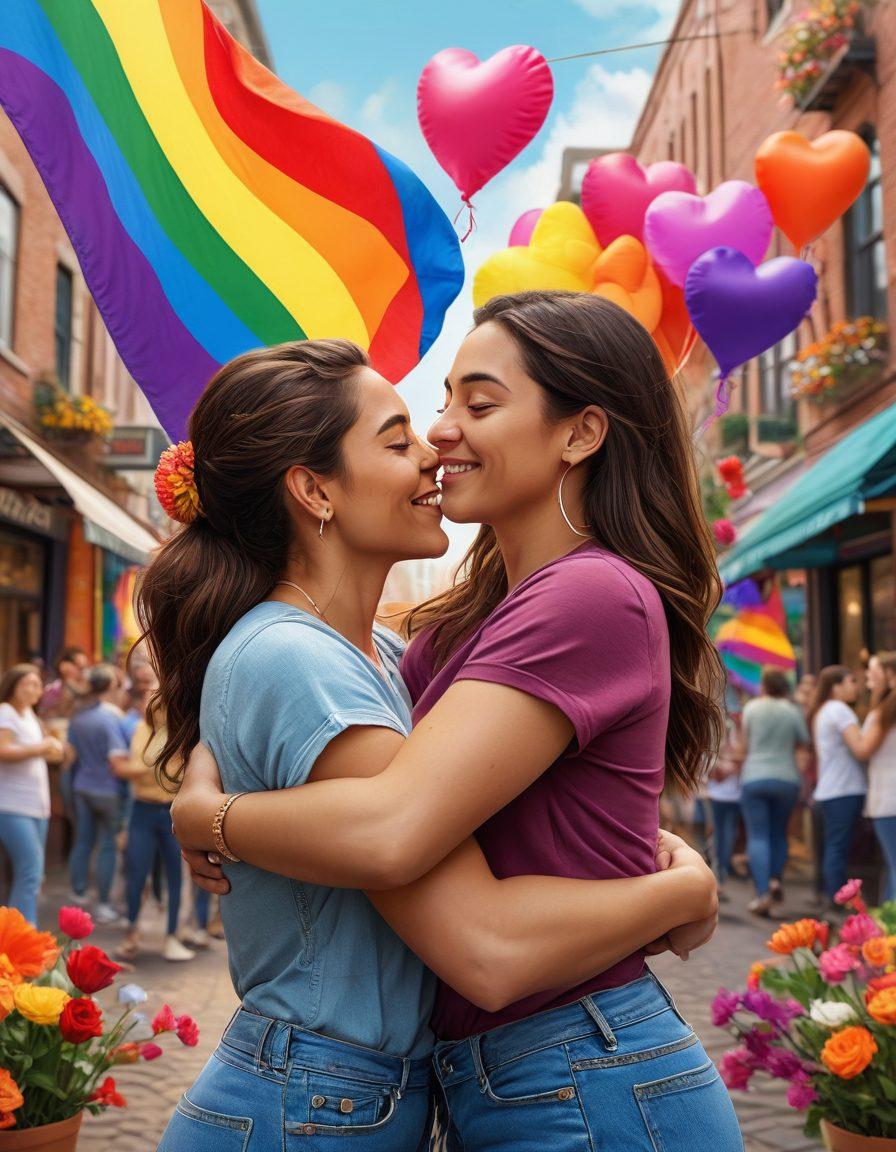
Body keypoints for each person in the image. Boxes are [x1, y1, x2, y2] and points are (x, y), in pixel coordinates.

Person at [168, 296, 740, 1150]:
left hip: (578, 1064)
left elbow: (412, 846)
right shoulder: (452, 629)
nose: (440, 433)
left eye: (479, 404)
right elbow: (314, 694)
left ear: (581, 434)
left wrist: (210, 816)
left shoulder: (587, 592)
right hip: (514, 1075)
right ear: (314, 490)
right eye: (431, 412)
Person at [113, 715, 195, 962]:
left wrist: (144, 768)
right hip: (142, 809)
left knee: (175, 877)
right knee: (136, 874)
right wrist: (153, 767)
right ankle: (131, 933)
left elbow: (179, 771)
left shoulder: (183, 728)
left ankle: (172, 936)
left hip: (172, 810)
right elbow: (130, 769)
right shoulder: (141, 728)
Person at [737, 669, 810, 917]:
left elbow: (745, 744)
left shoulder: (751, 709)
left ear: (764, 686)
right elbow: (803, 741)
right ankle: (776, 880)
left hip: (754, 776)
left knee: (758, 836)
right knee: (779, 833)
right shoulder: (792, 710)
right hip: (786, 778)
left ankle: (762, 892)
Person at [0, 665, 64, 924]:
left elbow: (50, 750)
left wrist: (54, 748)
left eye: (37, 684)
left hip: (37, 806)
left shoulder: (31, 716)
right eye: (27, 683)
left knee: (34, 875)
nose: (33, 689)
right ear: (12, 685)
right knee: (29, 872)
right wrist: (42, 747)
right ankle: (22, 937)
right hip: (12, 805)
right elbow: (3, 751)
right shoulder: (6, 712)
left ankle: (22, 935)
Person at [67, 665, 130, 923]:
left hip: (82, 786)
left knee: (82, 841)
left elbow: (70, 754)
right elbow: (118, 755)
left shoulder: (77, 716)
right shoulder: (112, 716)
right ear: (110, 687)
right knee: (107, 846)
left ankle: (78, 894)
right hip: (108, 790)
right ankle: (103, 904)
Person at [809, 666, 868, 908]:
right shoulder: (840, 710)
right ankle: (838, 901)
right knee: (837, 848)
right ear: (836, 687)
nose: (856, 687)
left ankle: (830, 896)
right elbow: (861, 748)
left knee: (832, 847)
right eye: (851, 681)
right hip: (843, 789)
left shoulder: (823, 711)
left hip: (830, 789)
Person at [862, 653, 896, 901]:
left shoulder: (883, 715)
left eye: (872, 673)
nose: (867, 679)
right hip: (887, 798)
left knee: (893, 865)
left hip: (888, 799)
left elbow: (863, 750)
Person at [706, 712, 743, 899]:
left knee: (727, 836)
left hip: (734, 795)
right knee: (720, 835)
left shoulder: (741, 735)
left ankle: (719, 876)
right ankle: (716, 877)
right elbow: (711, 767)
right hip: (718, 794)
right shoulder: (718, 739)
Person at [39, 646, 89, 721]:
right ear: (63, 666)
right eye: (79, 667)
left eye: (84, 667)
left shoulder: (88, 690)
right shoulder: (51, 690)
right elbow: (45, 718)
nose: (83, 672)